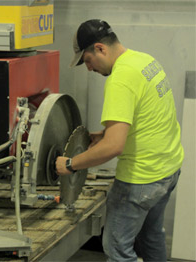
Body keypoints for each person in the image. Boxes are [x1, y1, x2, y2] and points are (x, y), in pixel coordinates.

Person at [55, 19, 184, 262]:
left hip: (141, 180)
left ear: (100, 48)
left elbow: (114, 147)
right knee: (151, 236)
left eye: (88, 61)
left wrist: (71, 164)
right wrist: (104, 134)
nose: (89, 69)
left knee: (117, 248)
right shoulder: (145, 61)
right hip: (168, 169)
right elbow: (149, 116)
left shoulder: (120, 80)